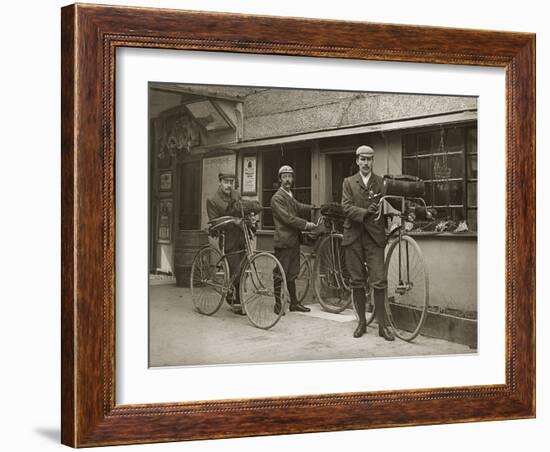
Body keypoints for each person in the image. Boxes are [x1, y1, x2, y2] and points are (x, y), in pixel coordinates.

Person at [341, 145, 395, 340]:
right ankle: (362, 323)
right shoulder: (348, 182)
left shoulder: (381, 183)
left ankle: (382, 326)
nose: (365, 163)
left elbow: (389, 206)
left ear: (373, 162)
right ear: (357, 161)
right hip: (353, 237)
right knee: (357, 280)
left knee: (379, 280)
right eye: (362, 159)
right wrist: (365, 213)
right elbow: (346, 207)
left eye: (369, 159)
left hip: (374, 238)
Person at [271, 165, 317, 314]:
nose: (287, 180)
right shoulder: (277, 198)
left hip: (293, 240)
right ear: (279, 179)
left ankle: (294, 303)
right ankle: (277, 304)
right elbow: (287, 218)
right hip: (284, 241)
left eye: (290, 176)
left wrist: (314, 208)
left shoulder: (289, 195)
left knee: (291, 273)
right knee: (280, 273)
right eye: (284, 177)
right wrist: (306, 224)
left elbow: (298, 206)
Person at [206, 172, 246, 315]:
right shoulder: (212, 200)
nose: (229, 185)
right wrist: (232, 221)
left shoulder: (236, 195)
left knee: (244, 269)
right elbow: (213, 222)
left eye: (231, 182)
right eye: (226, 182)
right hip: (228, 239)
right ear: (220, 182)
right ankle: (238, 302)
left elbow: (242, 210)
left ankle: (233, 295)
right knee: (237, 270)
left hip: (242, 237)